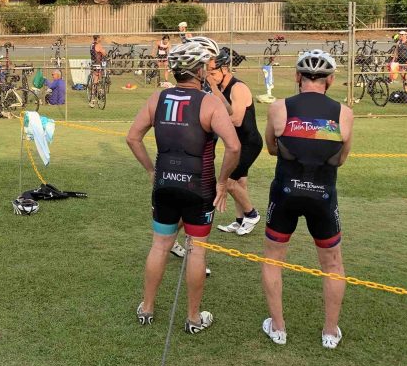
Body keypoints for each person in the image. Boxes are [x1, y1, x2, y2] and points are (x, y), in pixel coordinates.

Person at [126, 41, 241, 334]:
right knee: (197, 251)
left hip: (164, 183)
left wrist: (151, 170)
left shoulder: (157, 97)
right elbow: (234, 146)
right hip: (198, 187)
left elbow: (132, 138)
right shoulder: (210, 102)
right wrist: (223, 182)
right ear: (200, 70)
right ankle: (193, 318)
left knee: (159, 245)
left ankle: (147, 308)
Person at [261, 50, 354, 349]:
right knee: (332, 264)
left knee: (273, 259)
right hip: (323, 195)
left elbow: (271, 148)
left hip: (285, 192)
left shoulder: (279, 107)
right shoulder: (344, 113)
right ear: (331, 80)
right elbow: (341, 159)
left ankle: (278, 328)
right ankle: (330, 332)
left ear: (297, 77)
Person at [207, 47, 263, 235]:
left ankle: (252, 214)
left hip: (249, 143)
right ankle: (240, 221)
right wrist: (214, 89)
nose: (210, 76)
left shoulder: (238, 87)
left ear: (224, 69)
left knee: (229, 183)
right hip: (237, 144)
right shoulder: (220, 87)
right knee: (240, 184)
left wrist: (212, 123)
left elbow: (237, 119)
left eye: (213, 72)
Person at [89, 35, 107, 107]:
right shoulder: (98, 45)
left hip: (93, 63)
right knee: (98, 80)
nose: (101, 39)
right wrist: (104, 52)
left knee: (95, 81)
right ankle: (98, 93)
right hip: (98, 64)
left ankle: (93, 99)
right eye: (100, 38)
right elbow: (104, 53)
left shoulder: (92, 45)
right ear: (98, 38)